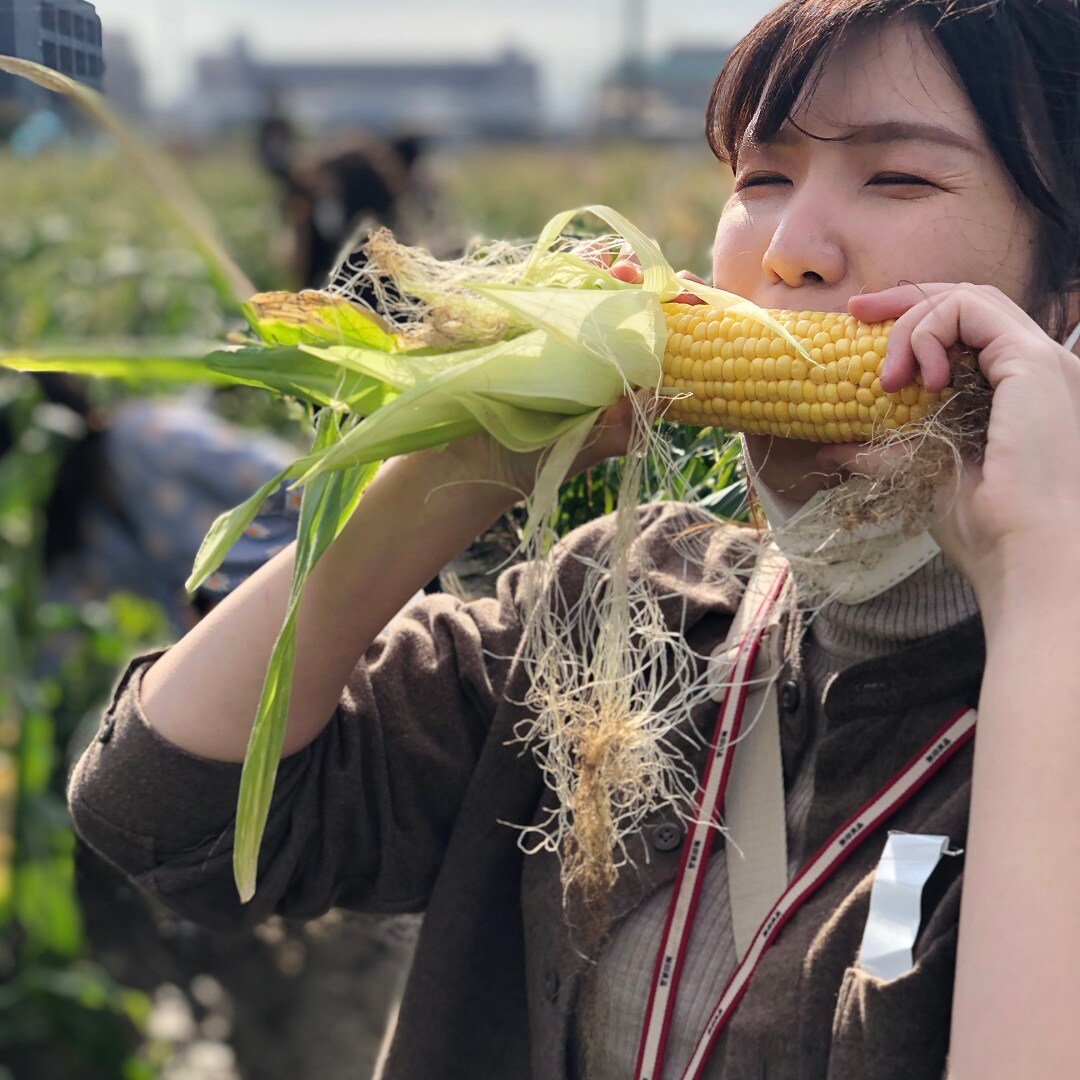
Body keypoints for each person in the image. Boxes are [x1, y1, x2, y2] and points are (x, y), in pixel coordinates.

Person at [67, 2, 1080, 1078]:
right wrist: (461, 465)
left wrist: (1042, 588)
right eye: (761, 180)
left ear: (1062, 298)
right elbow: (157, 810)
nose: (788, 254)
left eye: (898, 179)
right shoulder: (619, 606)